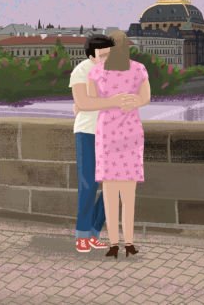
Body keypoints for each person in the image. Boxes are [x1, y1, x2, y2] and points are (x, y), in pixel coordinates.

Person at [84, 30, 150, 258]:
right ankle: (129, 242)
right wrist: (134, 101)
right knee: (129, 195)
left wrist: (110, 102)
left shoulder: (96, 72)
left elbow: (91, 101)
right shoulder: (139, 69)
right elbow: (146, 98)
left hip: (107, 134)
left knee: (110, 194)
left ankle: (113, 244)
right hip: (131, 133)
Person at [69, 33, 120, 252]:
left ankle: (93, 231)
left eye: (110, 54)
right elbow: (82, 102)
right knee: (88, 184)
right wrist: (110, 102)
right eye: (103, 54)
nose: (108, 58)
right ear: (91, 55)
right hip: (88, 132)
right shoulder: (81, 71)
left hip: (111, 133)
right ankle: (82, 234)